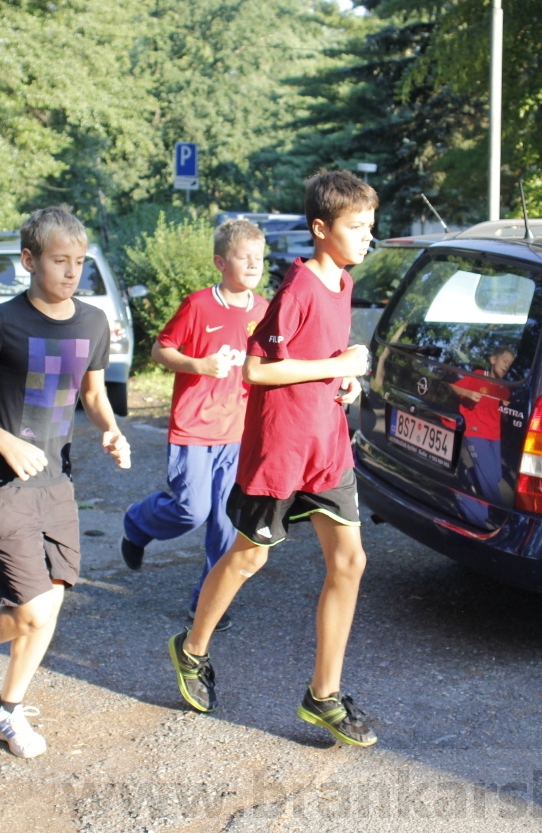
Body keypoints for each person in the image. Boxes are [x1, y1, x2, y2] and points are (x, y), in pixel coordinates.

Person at [167, 170, 379, 747]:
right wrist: (338, 367)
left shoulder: (341, 284)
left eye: (370, 226)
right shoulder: (300, 288)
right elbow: (259, 370)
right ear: (320, 228)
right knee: (247, 559)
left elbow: (324, 356)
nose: (367, 237)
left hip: (327, 446)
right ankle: (191, 651)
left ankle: (323, 696)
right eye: (356, 227)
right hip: (282, 450)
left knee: (350, 563)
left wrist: (346, 381)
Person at [0, 206, 131, 758]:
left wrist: (111, 431)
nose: (71, 272)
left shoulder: (91, 322)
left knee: (51, 604)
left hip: (56, 481)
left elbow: (93, 395)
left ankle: (6, 711)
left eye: (79, 262)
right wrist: (4, 441)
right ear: (29, 261)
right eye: (59, 260)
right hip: (3, 482)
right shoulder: (0, 323)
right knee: (31, 609)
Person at [121, 219, 270, 631]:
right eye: (245, 257)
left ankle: (206, 602)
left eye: (260, 256)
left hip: (237, 433)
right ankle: (138, 523)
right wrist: (198, 365)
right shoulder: (199, 305)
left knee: (225, 523)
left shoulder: (265, 311)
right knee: (191, 509)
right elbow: (160, 349)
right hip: (193, 428)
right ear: (221, 262)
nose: (255, 263)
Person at [449, 346, 514, 524]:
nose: (506, 366)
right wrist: (468, 393)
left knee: (495, 476)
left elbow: (503, 409)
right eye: (504, 361)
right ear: (493, 359)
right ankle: (499, 516)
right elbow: (453, 386)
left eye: (510, 364)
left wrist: (507, 406)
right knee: (488, 478)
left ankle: (466, 492)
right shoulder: (477, 375)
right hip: (475, 431)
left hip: (494, 435)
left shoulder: (504, 389)